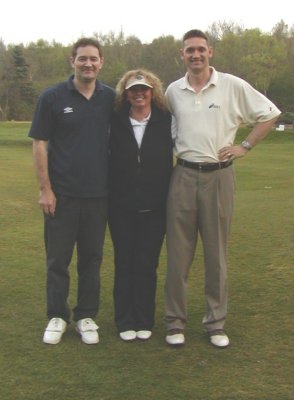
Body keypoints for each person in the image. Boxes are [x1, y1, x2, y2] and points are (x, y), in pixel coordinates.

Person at [164, 29, 281, 348]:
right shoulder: (174, 90)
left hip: (219, 177)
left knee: (216, 255)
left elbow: (270, 115)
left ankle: (215, 324)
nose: (196, 55)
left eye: (201, 49)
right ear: (182, 54)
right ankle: (175, 323)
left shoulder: (231, 85)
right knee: (178, 255)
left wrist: (244, 145)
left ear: (210, 52)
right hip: (183, 175)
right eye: (190, 50)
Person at [28, 38, 115, 345]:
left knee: (91, 259)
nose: (88, 64)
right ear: (72, 61)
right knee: (57, 260)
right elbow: (39, 143)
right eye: (82, 59)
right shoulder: (52, 97)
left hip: (99, 196)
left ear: (101, 62)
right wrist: (45, 190)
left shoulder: (111, 98)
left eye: (93, 59)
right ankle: (57, 315)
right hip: (61, 196)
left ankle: (85, 316)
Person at [108, 69, 173, 341]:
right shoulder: (115, 120)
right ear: (126, 92)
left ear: (152, 92)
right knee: (124, 263)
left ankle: (144, 319)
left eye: (144, 89)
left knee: (146, 264)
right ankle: (125, 320)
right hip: (120, 207)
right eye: (133, 89)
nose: (139, 94)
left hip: (155, 208)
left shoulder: (165, 120)